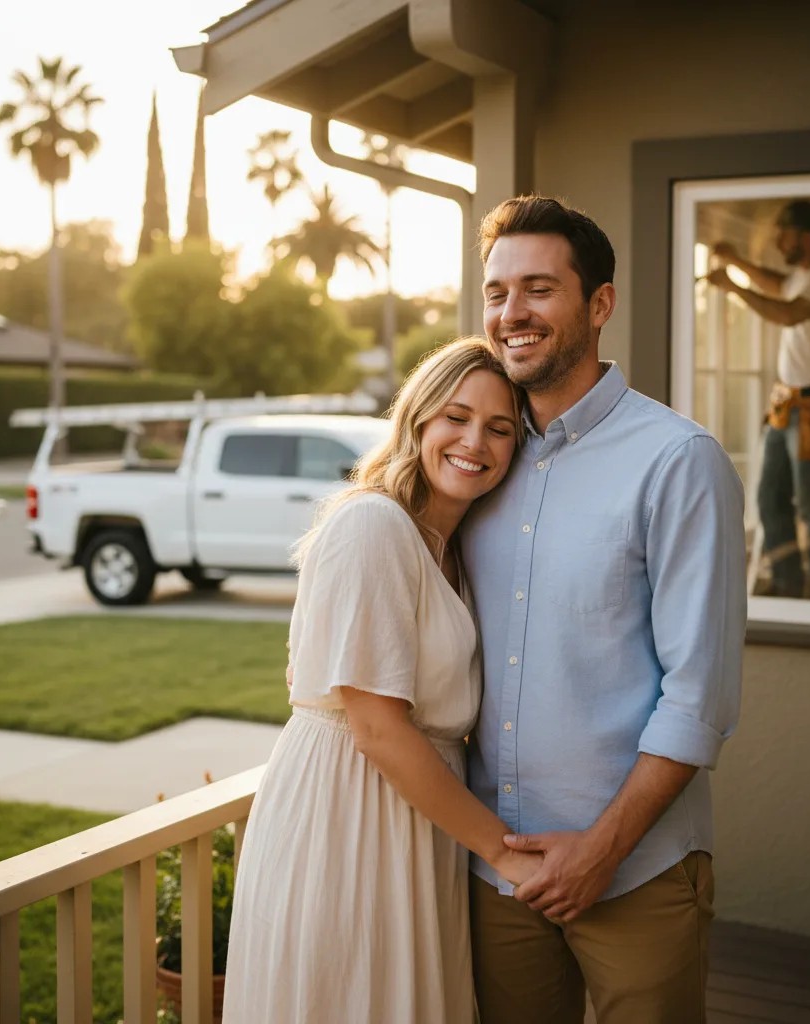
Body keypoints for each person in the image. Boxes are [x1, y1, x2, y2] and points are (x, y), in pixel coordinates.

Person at [464, 196, 746, 1023]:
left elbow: (700, 697)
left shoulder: (678, 461)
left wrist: (601, 851)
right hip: (498, 874)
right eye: (495, 292)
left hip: (637, 873)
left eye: (539, 289)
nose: (511, 313)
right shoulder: (478, 456)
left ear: (599, 304)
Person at [222, 338, 543, 1024]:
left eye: (499, 428)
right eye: (455, 417)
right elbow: (375, 727)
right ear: (418, 421)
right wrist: (503, 853)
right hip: (348, 816)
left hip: (414, 823)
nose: (474, 441)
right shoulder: (374, 526)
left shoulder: (450, 548)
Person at [707, 200, 810, 598]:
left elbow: (788, 313)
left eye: (783, 234)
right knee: (769, 496)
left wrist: (734, 286)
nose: (777, 241)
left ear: (805, 237)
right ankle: (789, 584)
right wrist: (738, 262)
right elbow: (778, 285)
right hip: (787, 406)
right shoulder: (805, 276)